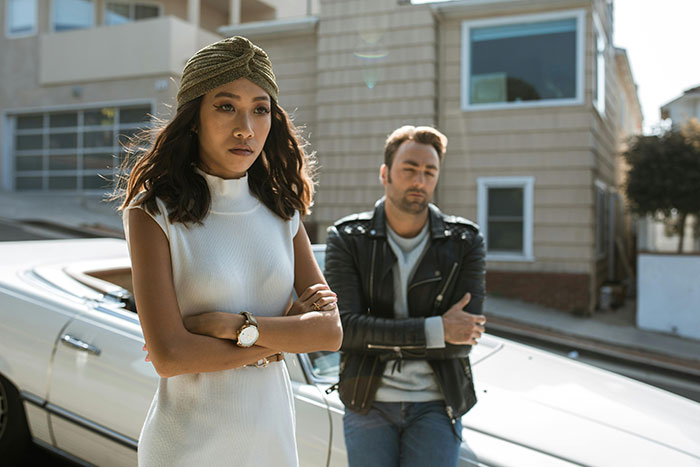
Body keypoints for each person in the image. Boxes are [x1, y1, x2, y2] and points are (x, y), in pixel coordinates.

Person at [118, 36, 342, 467]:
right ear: (194, 117)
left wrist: (234, 326)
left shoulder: (284, 210)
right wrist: (280, 338)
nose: (247, 127)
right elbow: (169, 357)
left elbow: (329, 333)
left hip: (272, 445)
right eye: (226, 106)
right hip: (185, 449)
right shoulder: (153, 213)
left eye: (260, 109)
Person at [324, 125, 487, 467]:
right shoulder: (348, 238)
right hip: (367, 400)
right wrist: (436, 329)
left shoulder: (465, 241)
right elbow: (345, 331)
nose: (419, 181)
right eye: (409, 169)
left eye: (429, 172)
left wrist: (380, 333)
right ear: (385, 174)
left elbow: (463, 337)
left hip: (438, 404)